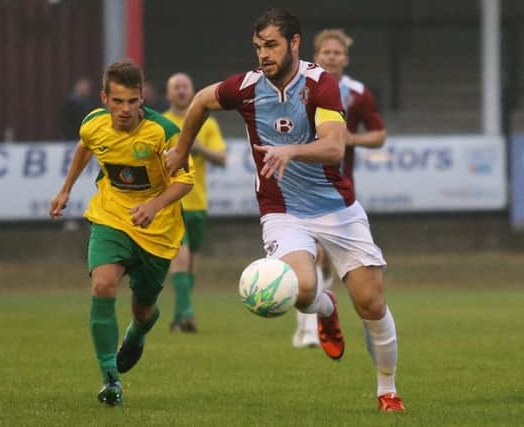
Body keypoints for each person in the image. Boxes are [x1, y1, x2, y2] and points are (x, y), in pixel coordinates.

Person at [165, 9, 405, 412]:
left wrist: (291, 150)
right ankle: (325, 308)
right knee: (302, 289)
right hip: (283, 210)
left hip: (337, 208)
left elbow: (334, 146)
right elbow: (202, 101)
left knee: (371, 303)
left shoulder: (319, 85)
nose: (263, 54)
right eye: (258, 47)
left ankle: (387, 390)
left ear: (294, 43)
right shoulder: (245, 87)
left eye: (271, 45)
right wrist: (181, 149)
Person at [49, 59, 194, 406]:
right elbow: (86, 145)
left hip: (156, 230)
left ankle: (138, 333)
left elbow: (185, 181)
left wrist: (154, 206)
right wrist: (66, 188)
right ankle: (110, 379)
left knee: (143, 310)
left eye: (133, 101)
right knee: (102, 284)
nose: (126, 109)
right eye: (118, 101)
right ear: (104, 98)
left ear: (142, 99)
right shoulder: (93, 124)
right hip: (112, 216)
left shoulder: (164, 132)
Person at [292, 29, 387, 349]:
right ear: (315, 55)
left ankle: (319, 303)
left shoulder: (358, 93)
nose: (331, 58)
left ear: (345, 58)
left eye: (337, 53)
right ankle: (306, 328)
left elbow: (378, 134)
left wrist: (350, 140)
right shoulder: (299, 86)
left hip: (338, 187)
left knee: (327, 261)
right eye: (326, 53)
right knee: (311, 254)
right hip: (302, 183)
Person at [163, 72, 227, 332]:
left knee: (190, 263)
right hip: (171, 203)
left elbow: (221, 158)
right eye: (175, 87)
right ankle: (187, 313)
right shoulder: (161, 124)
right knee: (180, 257)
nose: (180, 91)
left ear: (192, 92)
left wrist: (196, 146)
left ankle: (179, 318)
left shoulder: (207, 123)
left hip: (198, 203)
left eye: (184, 86)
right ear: (168, 94)